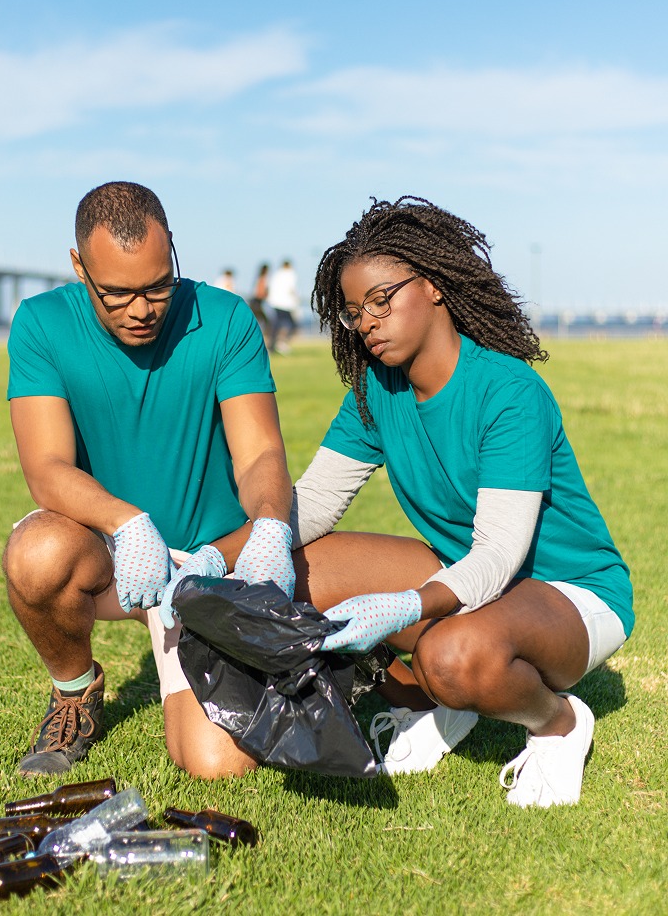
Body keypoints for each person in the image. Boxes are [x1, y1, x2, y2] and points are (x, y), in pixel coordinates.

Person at [289, 195, 634, 808]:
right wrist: (220, 546)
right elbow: (312, 502)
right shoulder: (376, 388)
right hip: (469, 578)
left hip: (569, 592)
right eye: (352, 311)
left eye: (381, 298)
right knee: (304, 566)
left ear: (434, 285)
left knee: (448, 657)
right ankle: (450, 709)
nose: (367, 321)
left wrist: (404, 607)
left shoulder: (508, 391)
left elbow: (500, 554)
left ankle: (558, 724)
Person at [3, 181, 294, 780]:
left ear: (173, 254)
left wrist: (267, 527)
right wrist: (126, 521)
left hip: (205, 569)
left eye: (158, 286)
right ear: (79, 267)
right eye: (116, 293)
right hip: (114, 557)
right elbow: (46, 467)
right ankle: (74, 693)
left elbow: (260, 451)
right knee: (36, 555)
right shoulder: (40, 323)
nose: (142, 309)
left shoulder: (225, 318)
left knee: (218, 765)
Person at [267, 258, 299, 354]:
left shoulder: (276, 274)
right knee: (292, 325)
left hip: (275, 303)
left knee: (276, 325)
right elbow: (291, 289)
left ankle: (272, 346)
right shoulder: (290, 274)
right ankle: (281, 342)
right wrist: (296, 300)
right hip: (286, 304)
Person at [248, 263, 271, 341]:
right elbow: (259, 293)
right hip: (257, 303)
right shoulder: (262, 279)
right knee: (266, 322)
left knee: (259, 322)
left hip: (256, 302)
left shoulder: (259, 278)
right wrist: (266, 294)